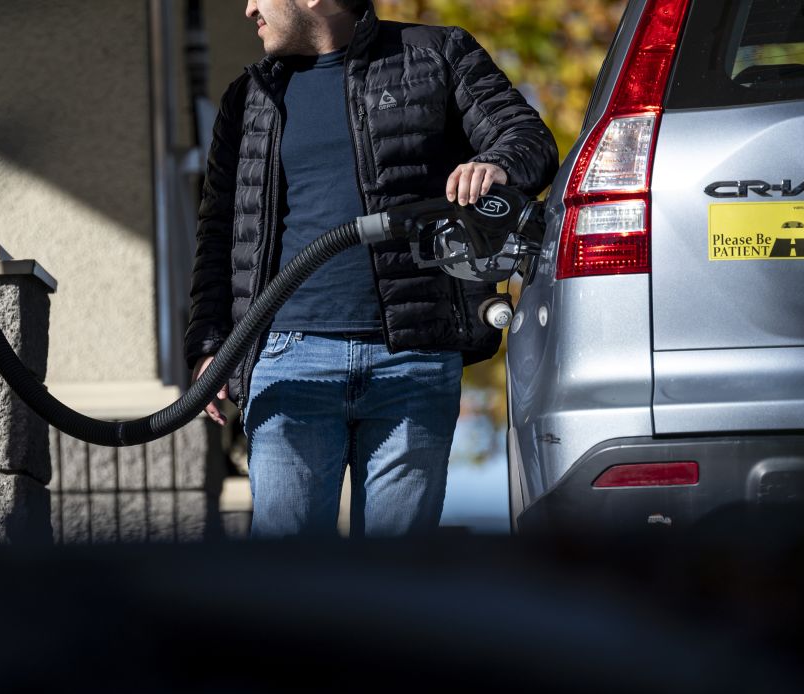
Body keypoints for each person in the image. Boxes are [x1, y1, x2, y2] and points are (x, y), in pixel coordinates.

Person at [185, 0, 557, 537]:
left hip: (414, 356)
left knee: (396, 580)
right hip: (288, 358)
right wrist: (210, 341)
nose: (248, 9)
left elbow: (528, 138)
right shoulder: (249, 98)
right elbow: (221, 229)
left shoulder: (437, 54)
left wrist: (495, 165)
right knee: (286, 581)